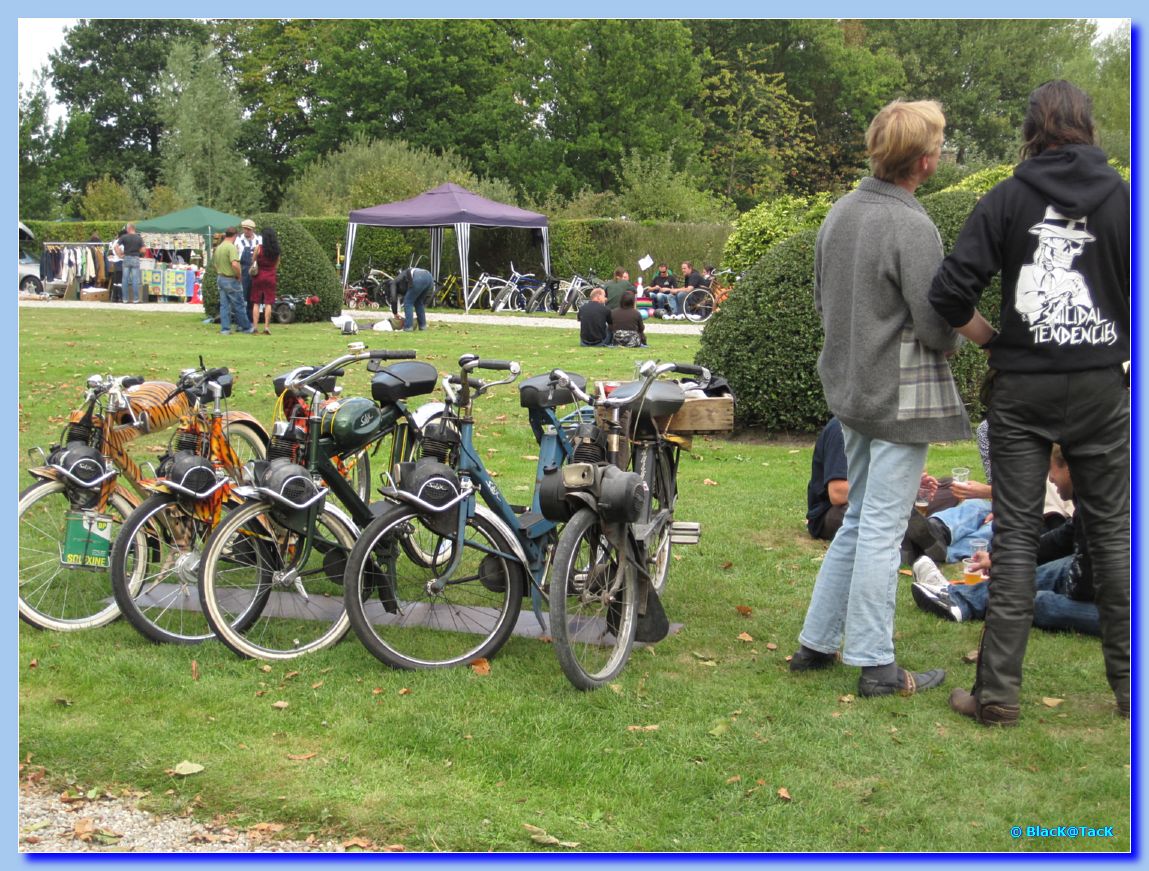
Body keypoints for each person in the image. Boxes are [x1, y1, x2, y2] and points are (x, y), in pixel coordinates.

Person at [929, 81, 1130, 725]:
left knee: (1015, 539)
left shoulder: (1007, 199)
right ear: (1088, 126)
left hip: (1022, 387)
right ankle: (1133, 693)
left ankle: (997, 697)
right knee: (1115, 537)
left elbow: (948, 292)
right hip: (1101, 384)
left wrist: (993, 340)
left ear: (1033, 129)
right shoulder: (1124, 199)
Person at [790, 99, 968, 699]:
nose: (940, 153)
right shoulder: (911, 224)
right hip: (898, 397)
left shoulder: (839, 213)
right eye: (939, 145)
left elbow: (820, 302)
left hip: (849, 390)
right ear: (924, 160)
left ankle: (815, 644)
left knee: (862, 520)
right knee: (881, 527)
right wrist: (959, 344)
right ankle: (876, 665)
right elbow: (938, 322)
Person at [912, 447, 1101, 636]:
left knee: (1040, 602)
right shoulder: (1090, 495)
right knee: (1052, 572)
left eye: (1051, 470)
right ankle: (956, 596)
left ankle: (958, 592)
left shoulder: (1102, 506)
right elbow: (1062, 539)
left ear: (1069, 467)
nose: (1050, 478)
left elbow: (1089, 581)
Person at [805, 417, 849, 541]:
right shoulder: (842, 429)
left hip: (865, 502)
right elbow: (838, 493)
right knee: (888, 516)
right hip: (831, 511)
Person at [212, 227, 253, 335]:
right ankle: (246, 327)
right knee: (239, 304)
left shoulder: (219, 247)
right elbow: (235, 264)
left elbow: (215, 265)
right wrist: (239, 275)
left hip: (220, 278)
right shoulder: (231, 247)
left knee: (224, 305)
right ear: (235, 236)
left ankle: (225, 329)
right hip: (231, 279)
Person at [249, 227, 280, 335]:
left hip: (259, 276)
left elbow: (253, 260)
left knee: (256, 302)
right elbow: (276, 265)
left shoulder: (259, 248)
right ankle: (266, 327)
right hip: (271, 276)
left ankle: (255, 327)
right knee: (268, 303)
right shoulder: (276, 251)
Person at [396, 266, 434, 331]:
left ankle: (408, 327)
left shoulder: (401, 276)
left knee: (408, 302)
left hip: (420, 278)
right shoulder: (411, 271)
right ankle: (423, 326)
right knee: (419, 302)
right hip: (430, 278)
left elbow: (406, 286)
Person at [115, 223, 145, 304]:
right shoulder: (139, 238)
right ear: (134, 229)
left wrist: (119, 255)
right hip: (135, 258)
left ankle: (125, 299)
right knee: (135, 280)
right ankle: (135, 299)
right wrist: (138, 252)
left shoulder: (124, 237)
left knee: (125, 279)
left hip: (126, 258)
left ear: (128, 229)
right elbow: (143, 250)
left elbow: (116, 246)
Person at [236, 219, 261, 308]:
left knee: (254, 295)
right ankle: (243, 316)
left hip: (257, 269)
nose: (246, 231)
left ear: (253, 230)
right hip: (244, 269)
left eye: (248, 229)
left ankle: (252, 317)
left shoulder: (259, 239)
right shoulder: (238, 240)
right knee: (243, 294)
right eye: (245, 229)